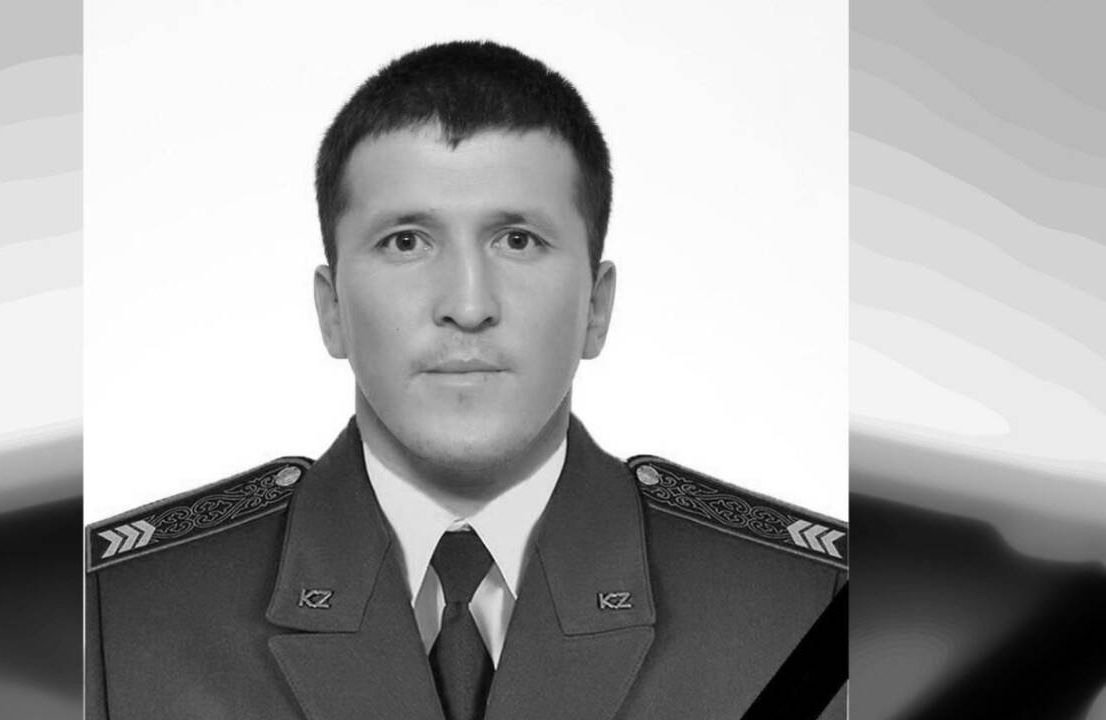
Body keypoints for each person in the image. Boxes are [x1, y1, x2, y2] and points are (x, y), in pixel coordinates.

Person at [86, 40, 847, 720]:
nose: (468, 305)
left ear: (596, 307)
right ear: (332, 310)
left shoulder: (806, 611)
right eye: (406, 241)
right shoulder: (115, 617)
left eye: (518, 240)